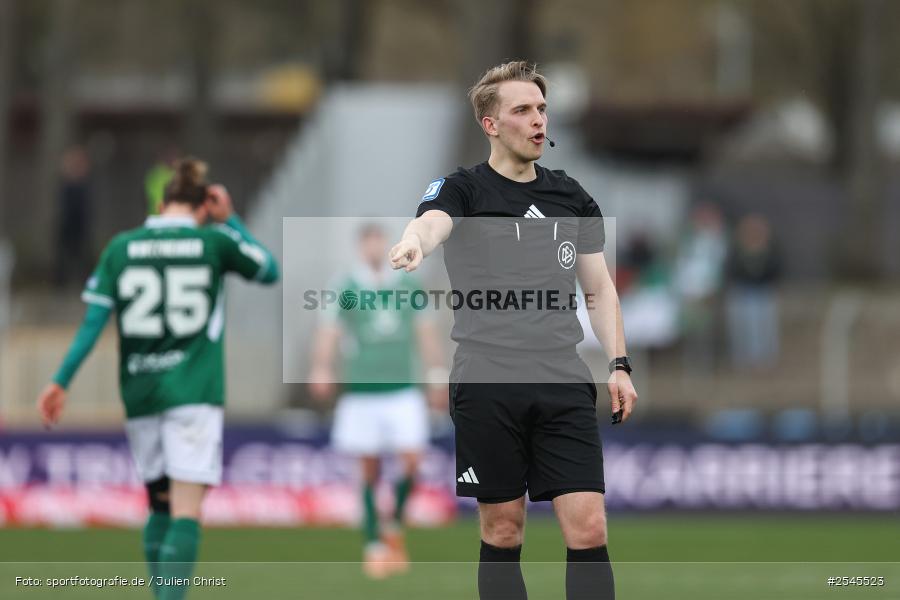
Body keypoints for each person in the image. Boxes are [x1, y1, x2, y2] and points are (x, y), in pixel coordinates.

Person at [389, 61, 637, 600]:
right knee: (503, 530)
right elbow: (433, 221)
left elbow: (598, 290)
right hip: (487, 382)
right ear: (491, 124)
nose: (538, 121)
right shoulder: (464, 189)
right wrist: (416, 242)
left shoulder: (571, 196)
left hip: (561, 379)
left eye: (542, 109)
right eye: (522, 110)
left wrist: (619, 363)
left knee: (590, 527)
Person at [36, 158, 279, 600]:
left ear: (162, 201)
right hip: (193, 391)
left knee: (160, 504)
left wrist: (61, 380)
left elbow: (94, 322)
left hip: (140, 391)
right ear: (204, 205)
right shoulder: (214, 242)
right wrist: (233, 220)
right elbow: (268, 270)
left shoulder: (121, 247)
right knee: (186, 511)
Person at [309, 222, 447, 579]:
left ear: (387, 245)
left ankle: (394, 526)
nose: (374, 249)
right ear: (360, 247)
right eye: (368, 243)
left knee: (413, 462)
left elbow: (425, 333)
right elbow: (330, 330)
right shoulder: (347, 286)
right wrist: (322, 367)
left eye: (378, 242)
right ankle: (373, 545)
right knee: (368, 470)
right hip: (362, 393)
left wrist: (436, 375)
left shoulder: (406, 284)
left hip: (402, 390)